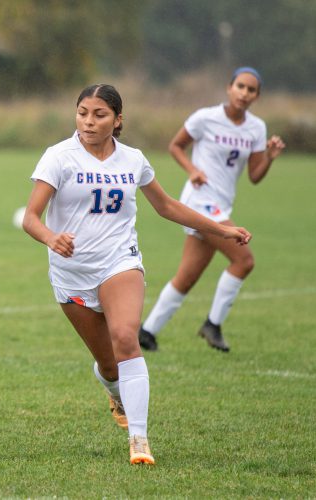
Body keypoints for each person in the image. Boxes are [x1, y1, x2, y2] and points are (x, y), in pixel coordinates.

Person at [22, 84, 251, 465]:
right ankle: (114, 391)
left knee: (127, 337)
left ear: (118, 119)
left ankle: (139, 439)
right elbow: (31, 217)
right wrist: (50, 237)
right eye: (82, 113)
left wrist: (221, 229)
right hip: (72, 273)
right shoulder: (58, 157)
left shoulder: (133, 160)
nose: (89, 122)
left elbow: (167, 206)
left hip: (120, 262)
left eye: (99, 114)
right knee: (109, 365)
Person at [138, 67, 285, 353]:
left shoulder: (256, 128)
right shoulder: (206, 118)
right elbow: (176, 146)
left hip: (221, 204)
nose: (244, 93)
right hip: (199, 201)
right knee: (244, 260)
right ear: (229, 88)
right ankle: (213, 325)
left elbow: (255, 176)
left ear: (257, 95)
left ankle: (146, 332)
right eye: (240, 86)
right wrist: (192, 170)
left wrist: (268, 156)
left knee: (188, 276)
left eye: (251, 89)